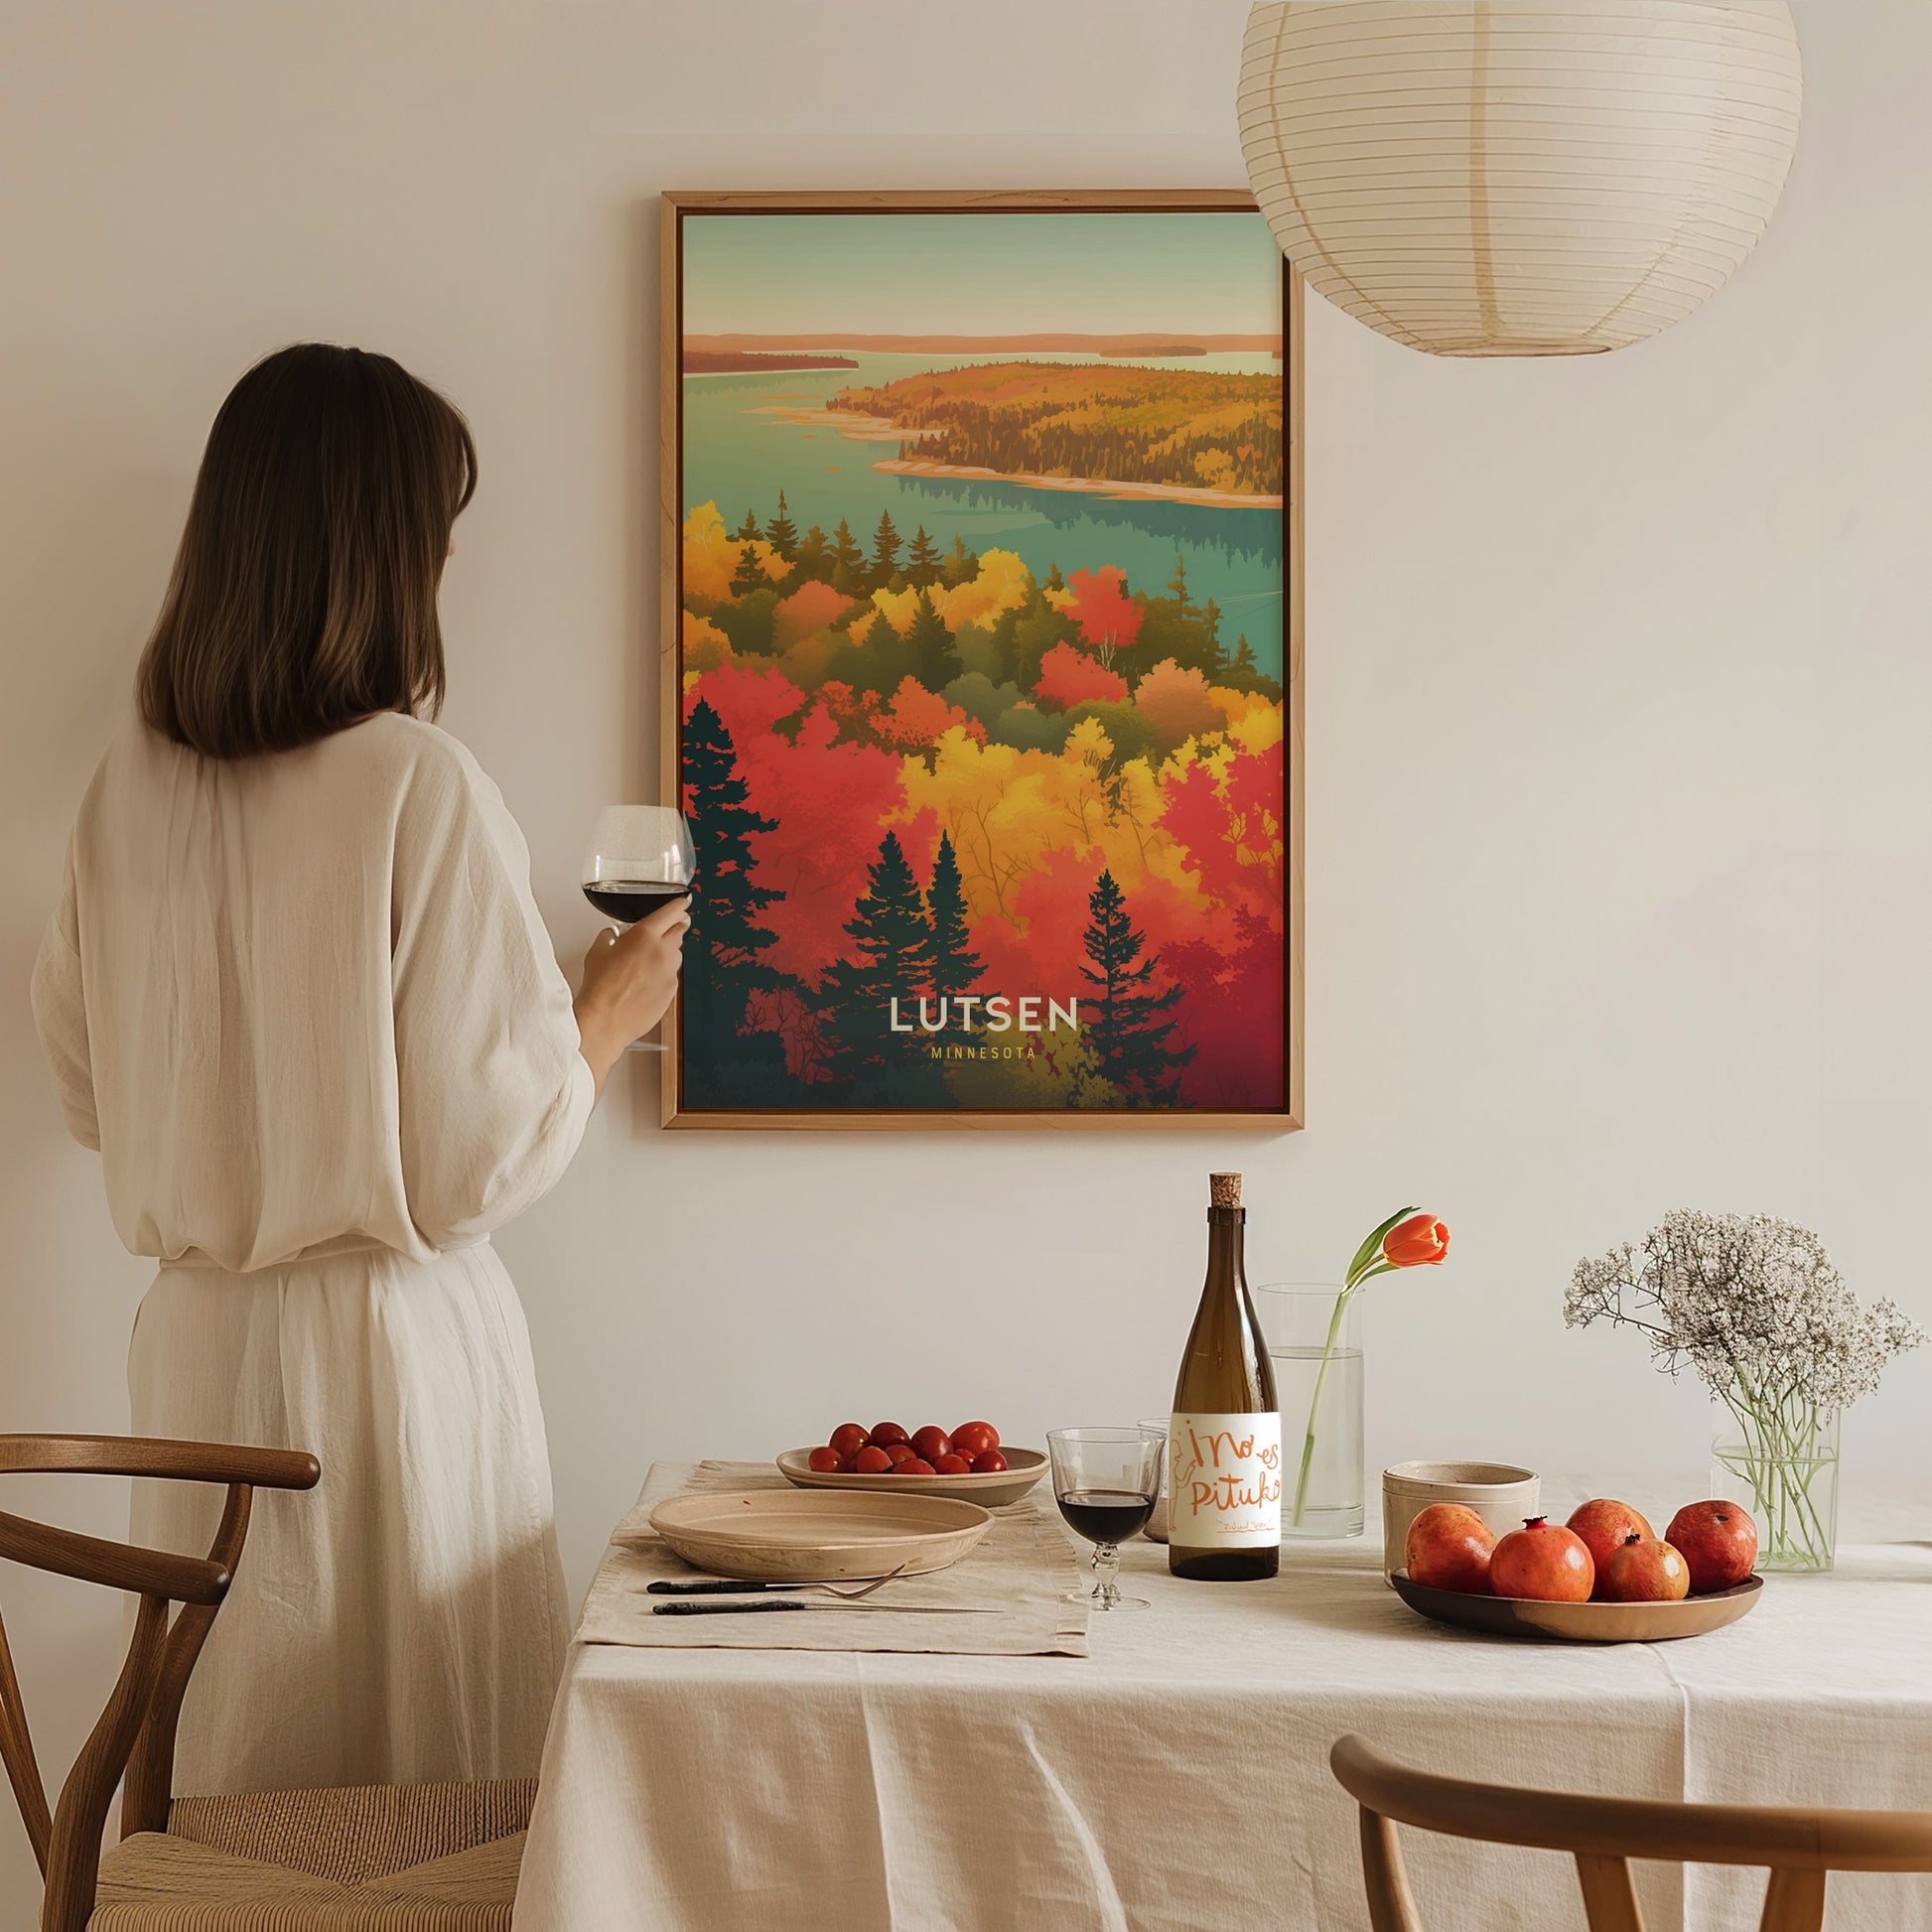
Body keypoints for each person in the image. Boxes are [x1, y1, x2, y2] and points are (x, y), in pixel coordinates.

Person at [29, 343, 684, 1793]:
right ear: (384, 553)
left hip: (197, 1352)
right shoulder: (414, 780)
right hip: (387, 1364)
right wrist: (601, 1013)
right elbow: (471, 1165)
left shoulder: (122, 792)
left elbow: (87, 1093)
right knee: (419, 1798)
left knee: (239, 1778)